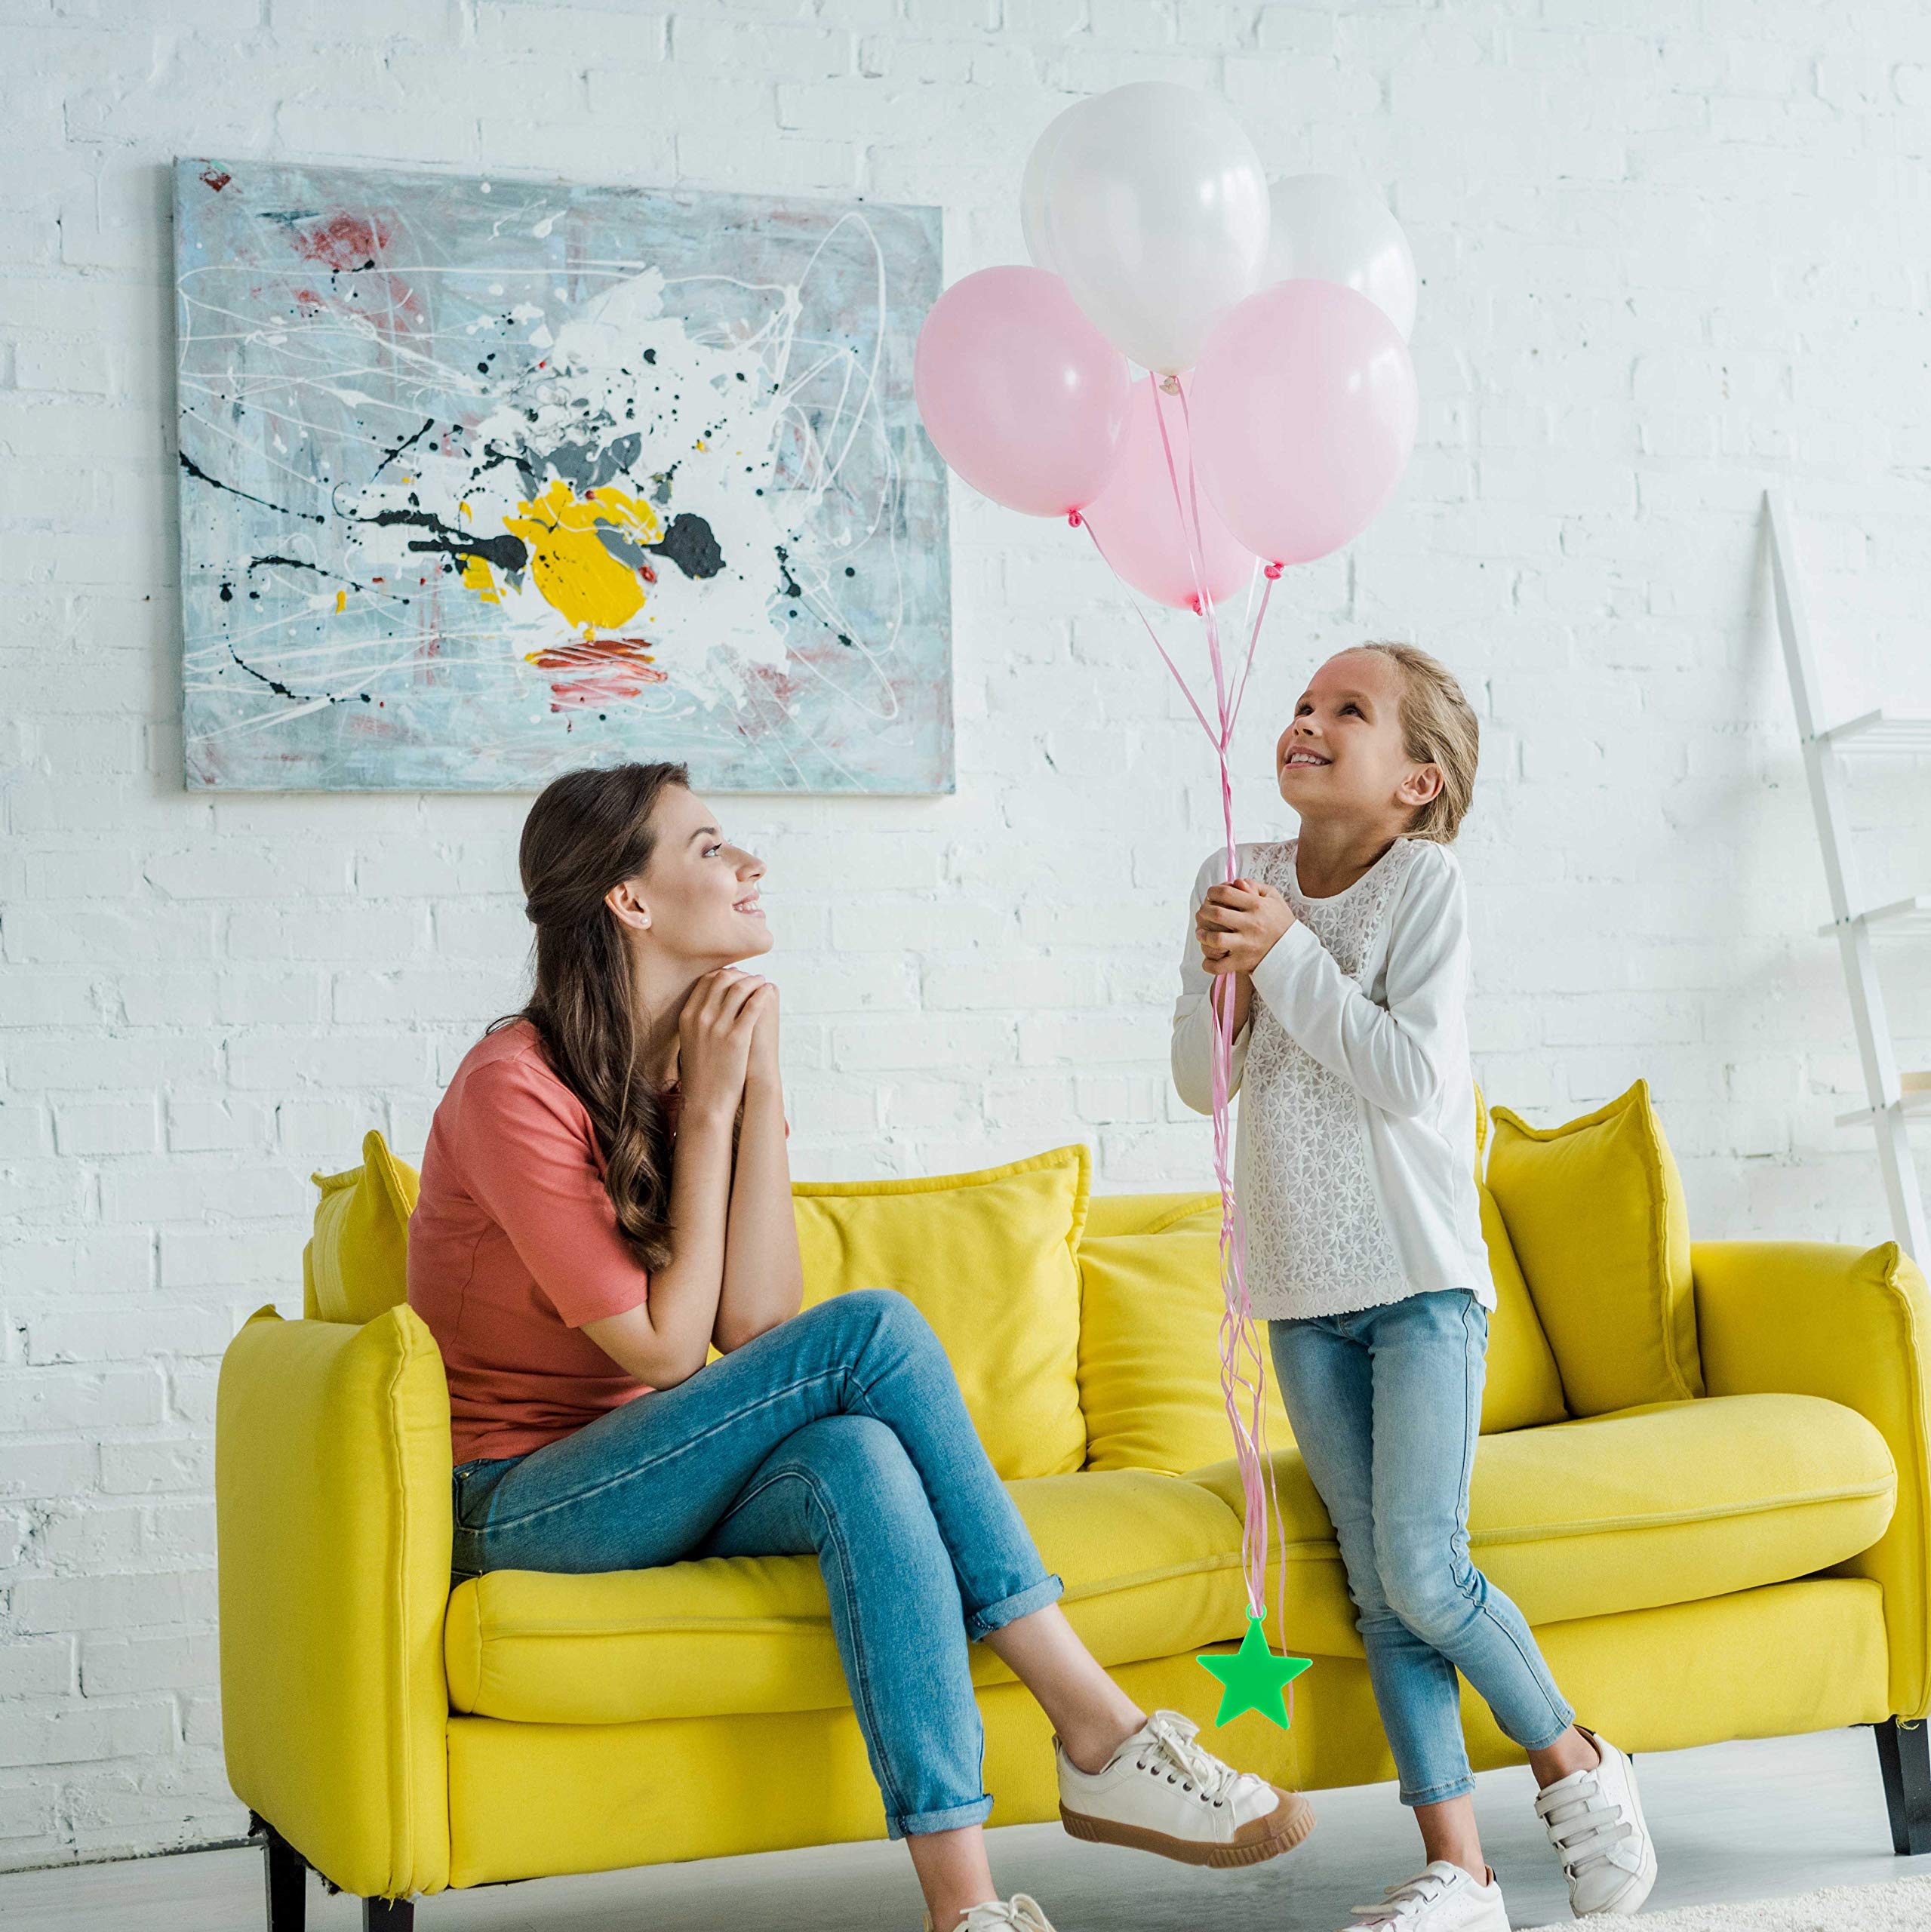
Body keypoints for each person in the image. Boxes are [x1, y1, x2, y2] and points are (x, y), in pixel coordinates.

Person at [406, 759, 1315, 1932]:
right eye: (710, 846)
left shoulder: (702, 1053)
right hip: (519, 1502)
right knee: (875, 1330)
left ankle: (967, 1909)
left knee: (860, 1463)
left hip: (655, 1463)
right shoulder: (510, 1087)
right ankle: (1096, 1726)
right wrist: (718, 1111)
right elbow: (669, 1352)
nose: (749, 865)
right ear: (628, 901)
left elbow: (756, 1324)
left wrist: (752, 1081)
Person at [1171, 644, 1659, 1930]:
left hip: (1417, 1283)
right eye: (1302, 704)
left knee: (1426, 1571)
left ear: (1416, 782)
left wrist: (1281, 956)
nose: (1307, 722)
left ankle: (1578, 1767)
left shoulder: (1424, 886)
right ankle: (1464, 1873)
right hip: (1295, 1285)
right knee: (1381, 1596)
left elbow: (1409, 1078)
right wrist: (1221, 976)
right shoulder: (1237, 880)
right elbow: (1200, 1087)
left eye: (1349, 711)